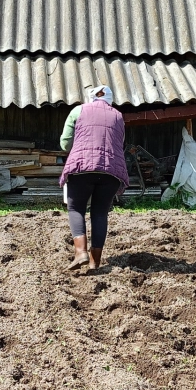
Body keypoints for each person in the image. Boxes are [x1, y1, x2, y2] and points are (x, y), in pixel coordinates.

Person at [60, 85, 128, 272]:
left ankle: (80, 252)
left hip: (82, 167)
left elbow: (65, 143)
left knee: (76, 208)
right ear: (110, 100)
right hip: (110, 171)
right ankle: (94, 262)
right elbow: (119, 143)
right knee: (99, 212)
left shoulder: (78, 110)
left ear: (90, 98)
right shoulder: (118, 116)